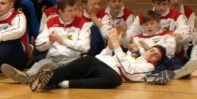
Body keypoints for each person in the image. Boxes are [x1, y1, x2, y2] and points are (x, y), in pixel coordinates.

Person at [29, 28, 166, 91]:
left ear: (157, 61)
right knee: (82, 64)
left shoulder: (149, 67)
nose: (152, 54)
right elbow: (106, 57)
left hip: (109, 73)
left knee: (115, 80)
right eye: (152, 50)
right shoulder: (134, 55)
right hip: (98, 64)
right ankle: (46, 79)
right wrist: (110, 47)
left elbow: (128, 71)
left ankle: (59, 83)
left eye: (156, 55)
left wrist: (117, 47)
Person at [1, 0, 90, 84]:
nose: (74, 13)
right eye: (70, 11)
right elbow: (38, 45)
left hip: (72, 59)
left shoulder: (83, 23)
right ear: (60, 12)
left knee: (60, 67)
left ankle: (44, 77)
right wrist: (49, 42)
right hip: (52, 58)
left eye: (74, 9)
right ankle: (26, 76)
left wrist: (63, 41)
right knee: (40, 64)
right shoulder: (51, 22)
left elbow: (85, 47)